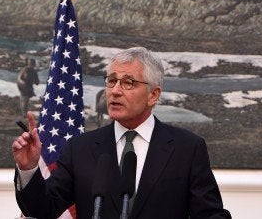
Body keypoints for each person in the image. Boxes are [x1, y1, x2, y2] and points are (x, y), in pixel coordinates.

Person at [12, 47, 231, 219]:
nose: (115, 90)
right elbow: (43, 209)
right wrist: (29, 168)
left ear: (153, 95)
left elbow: (210, 215)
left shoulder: (187, 148)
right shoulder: (81, 148)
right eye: (112, 81)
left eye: (128, 83)